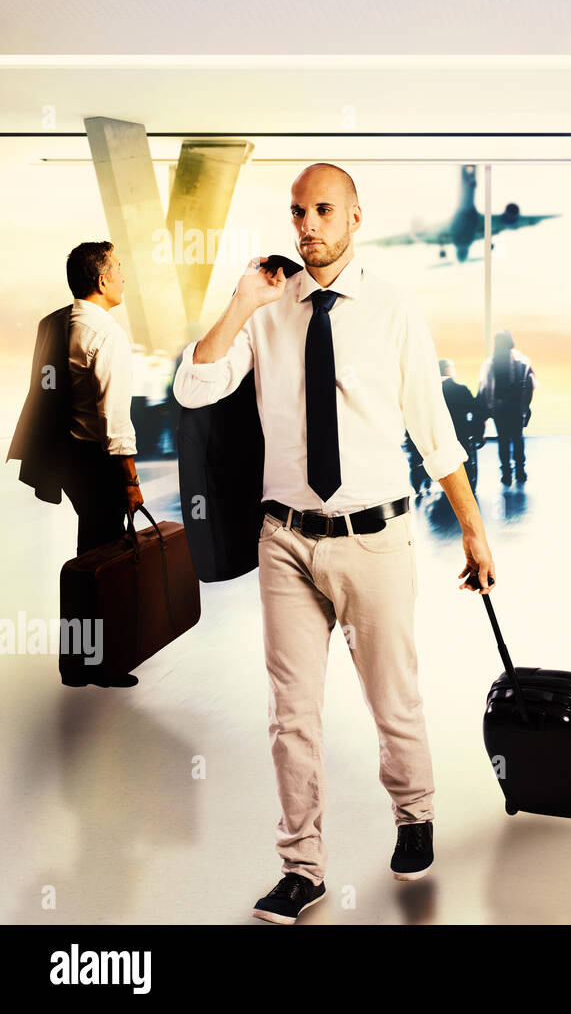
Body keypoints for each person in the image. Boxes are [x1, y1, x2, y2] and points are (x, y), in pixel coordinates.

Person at [173, 163, 496, 924]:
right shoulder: (269, 306)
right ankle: (302, 866)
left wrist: (474, 529)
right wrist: (240, 301)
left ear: (356, 217)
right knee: (292, 714)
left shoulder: (391, 309)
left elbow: (434, 430)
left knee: (394, 697)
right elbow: (195, 388)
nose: (307, 224)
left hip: (374, 537)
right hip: (285, 538)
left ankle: (414, 814)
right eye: (297, 211)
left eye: (323, 209)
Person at [8, 241, 145, 688]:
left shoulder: (55, 323)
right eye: (119, 269)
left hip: (69, 459)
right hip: (101, 462)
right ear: (102, 280)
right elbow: (114, 418)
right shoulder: (107, 333)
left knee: (90, 558)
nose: (124, 276)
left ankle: (77, 662)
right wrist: (130, 481)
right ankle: (100, 664)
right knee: (105, 563)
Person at [478, 330, 537, 487]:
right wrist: (525, 406)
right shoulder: (522, 360)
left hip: (499, 409)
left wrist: (488, 409)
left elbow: (484, 388)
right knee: (517, 438)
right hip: (516, 408)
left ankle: (506, 473)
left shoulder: (490, 363)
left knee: (503, 440)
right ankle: (520, 471)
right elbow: (531, 384)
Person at [440, 359, 483, 493]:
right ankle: (468, 486)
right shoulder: (461, 390)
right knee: (465, 460)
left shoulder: (433, 393)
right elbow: (477, 410)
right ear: (448, 371)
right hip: (462, 431)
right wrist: (478, 432)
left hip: (441, 433)